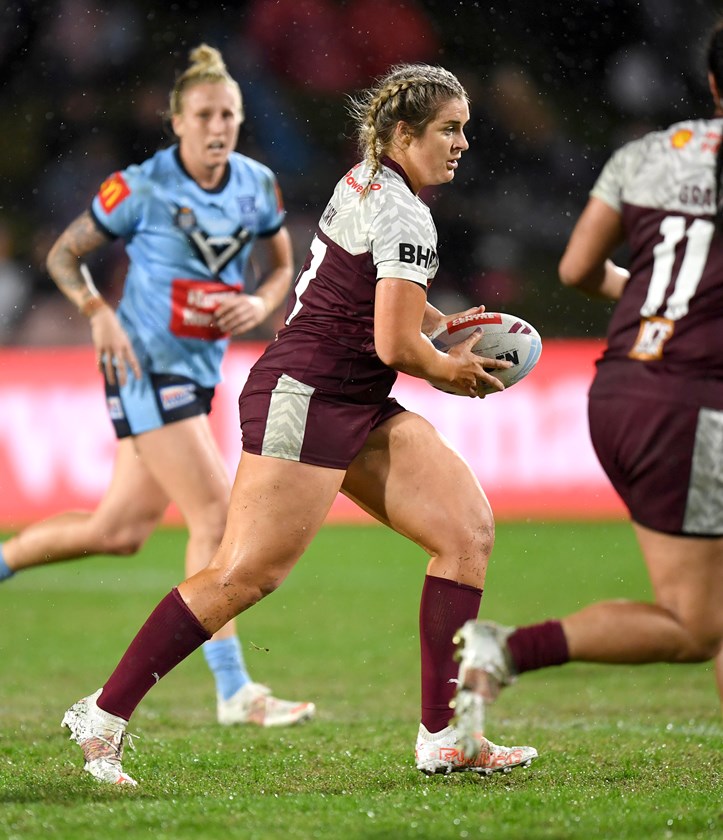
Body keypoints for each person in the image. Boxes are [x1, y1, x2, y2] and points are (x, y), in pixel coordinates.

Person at [59, 62, 539, 786]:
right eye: (448, 129)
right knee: (247, 574)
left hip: (353, 396)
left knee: (464, 532)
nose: (462, 143)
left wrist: (448, 327)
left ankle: (444, 737)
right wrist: (449, 369)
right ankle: (102, 713)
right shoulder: (405, 211)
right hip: (307, 395)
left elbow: (381, 304)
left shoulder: (369, 178)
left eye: (464, 129)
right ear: (404, 132)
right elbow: (393, 344)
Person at [0, 44, 315, 730]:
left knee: (117, 530)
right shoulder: (138, 187)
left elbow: (280, 266)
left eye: (227, 114)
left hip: (196, 372)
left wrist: (260, 303)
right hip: (143, 366)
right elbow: (62, 254)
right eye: (203, 114)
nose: (217, 126)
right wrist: (99, 314)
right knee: (214, 518)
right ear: (176, 120)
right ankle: (235, 692)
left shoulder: (257, 185)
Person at [451, 22, 723, 754]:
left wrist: (661, 307)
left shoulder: (646, 155)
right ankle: (506, 650)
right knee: (695, 625)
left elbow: (576, 269)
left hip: (622, 388)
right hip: (692, 402)